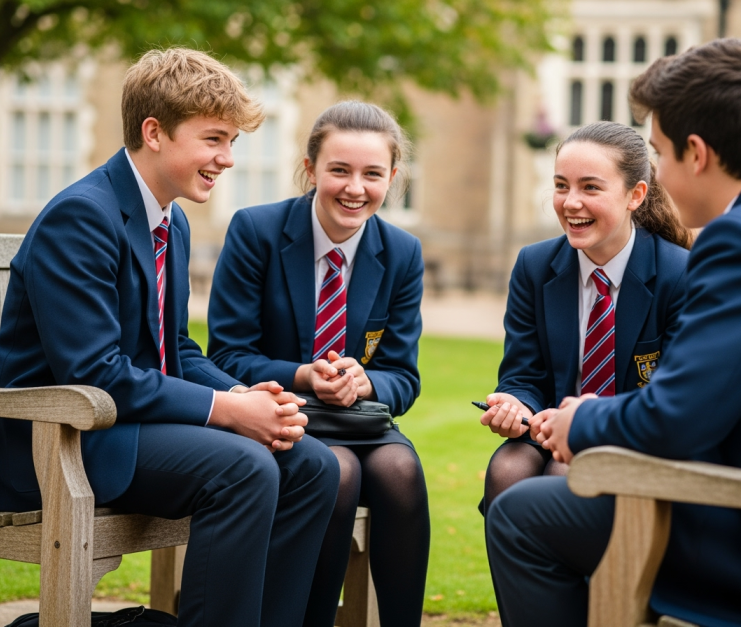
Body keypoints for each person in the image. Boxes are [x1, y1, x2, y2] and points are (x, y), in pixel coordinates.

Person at [486, 38, 741, 627]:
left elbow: (676, 419)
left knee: (521, 515)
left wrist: (582, 421)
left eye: (659, 152)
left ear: (696, 152)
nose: (661, 172)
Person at [0, 48, 340, 627]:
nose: (227, 159)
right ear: (154, 132)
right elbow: (96, 372)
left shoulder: (170, 218)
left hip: (127, 425)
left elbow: (175, 350)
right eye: (214, 139)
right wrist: (228, 411)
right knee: (243, 468)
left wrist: (246, 396)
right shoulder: (82, 216)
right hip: (60, 440)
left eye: (231, 142)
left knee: (312, 464)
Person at [207, 100, 429, 627]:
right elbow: (226, 355)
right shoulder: (255, 232)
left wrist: (365, 379)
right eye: (339, 170)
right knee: (339, 470)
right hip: (278, 417)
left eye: (372, 173)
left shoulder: (402, 252)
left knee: (400, 470)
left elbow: (404, 376)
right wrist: (301, 375)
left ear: (392, 177)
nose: (355, 187)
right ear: (310, 170)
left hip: (356, 419)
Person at [478, 121, 690, 515]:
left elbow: (674, 398)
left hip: (632, 437)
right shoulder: (534, 265)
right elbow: (524, 374)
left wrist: (585, 423)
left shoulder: (679, 274)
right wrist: (515, 404)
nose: (570, 202)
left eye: (590, 187)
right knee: (507, 470)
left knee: (565, 471)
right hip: (548, 431)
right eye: (561, 186)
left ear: (635, 195)